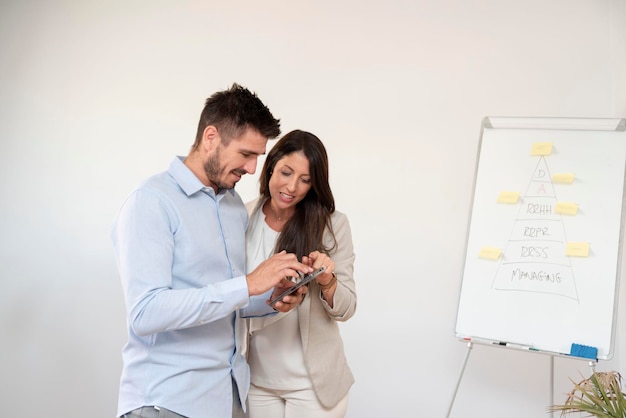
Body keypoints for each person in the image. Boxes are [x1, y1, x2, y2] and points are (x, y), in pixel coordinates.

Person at [111, 84, 312, 418]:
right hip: (167, 402)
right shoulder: (151, 201)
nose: (252, 169)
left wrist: (273, 298)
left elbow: (222, 301)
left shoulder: (232, 206)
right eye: (246, 154)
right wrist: (248, 284)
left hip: (224, 398)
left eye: (257, 158)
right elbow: (145, 312)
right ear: (211, 137)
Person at [245, 129, 357, 418]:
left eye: (305, 180)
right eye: (285, 172)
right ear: (270, 166)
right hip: (255, 382)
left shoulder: (333, 225)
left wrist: (326, 280)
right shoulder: (240, 217)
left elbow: (346, 308)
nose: (291, 186)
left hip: (313, 387)